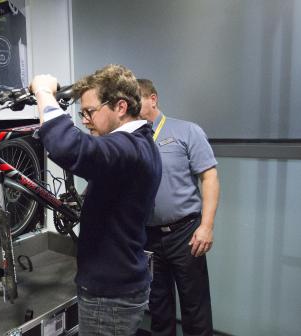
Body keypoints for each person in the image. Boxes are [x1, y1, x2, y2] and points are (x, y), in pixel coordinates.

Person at [30, 65, 162, 336]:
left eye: (89, 112)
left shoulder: (129, 148)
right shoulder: (142, 142)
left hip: (109, 297)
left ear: (121, 107)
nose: (85, 120)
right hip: (119, 286)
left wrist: (43, 92)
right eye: (82, 113)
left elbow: (68, 146)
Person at [138, 78, 220, 336]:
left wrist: (206, 227)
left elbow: (209, 178)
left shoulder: (186, 131)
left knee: (195, 308)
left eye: (135, 99)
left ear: (153, 98)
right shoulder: (132, 139)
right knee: (158, 307)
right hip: (148, 236)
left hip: (185, 233)